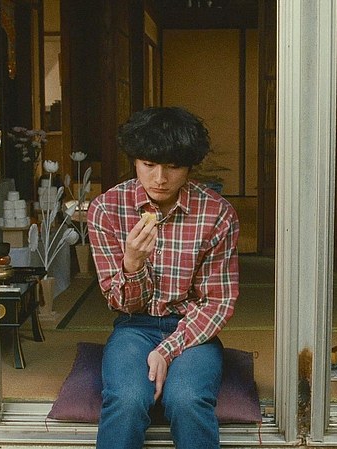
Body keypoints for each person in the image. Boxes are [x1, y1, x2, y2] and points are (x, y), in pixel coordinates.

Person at [87, 106, 240, 449]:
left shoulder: (217, 213)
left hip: (194, 330)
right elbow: (121, 303)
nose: (159, 178)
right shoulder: (106, 209)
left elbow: (217, 302)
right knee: (126, 401)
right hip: (133, 326)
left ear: (189, 166)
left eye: (173, 167)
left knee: (187, 400)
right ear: (134, 161)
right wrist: (132, 263)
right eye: (148, 164)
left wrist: (168, 350)